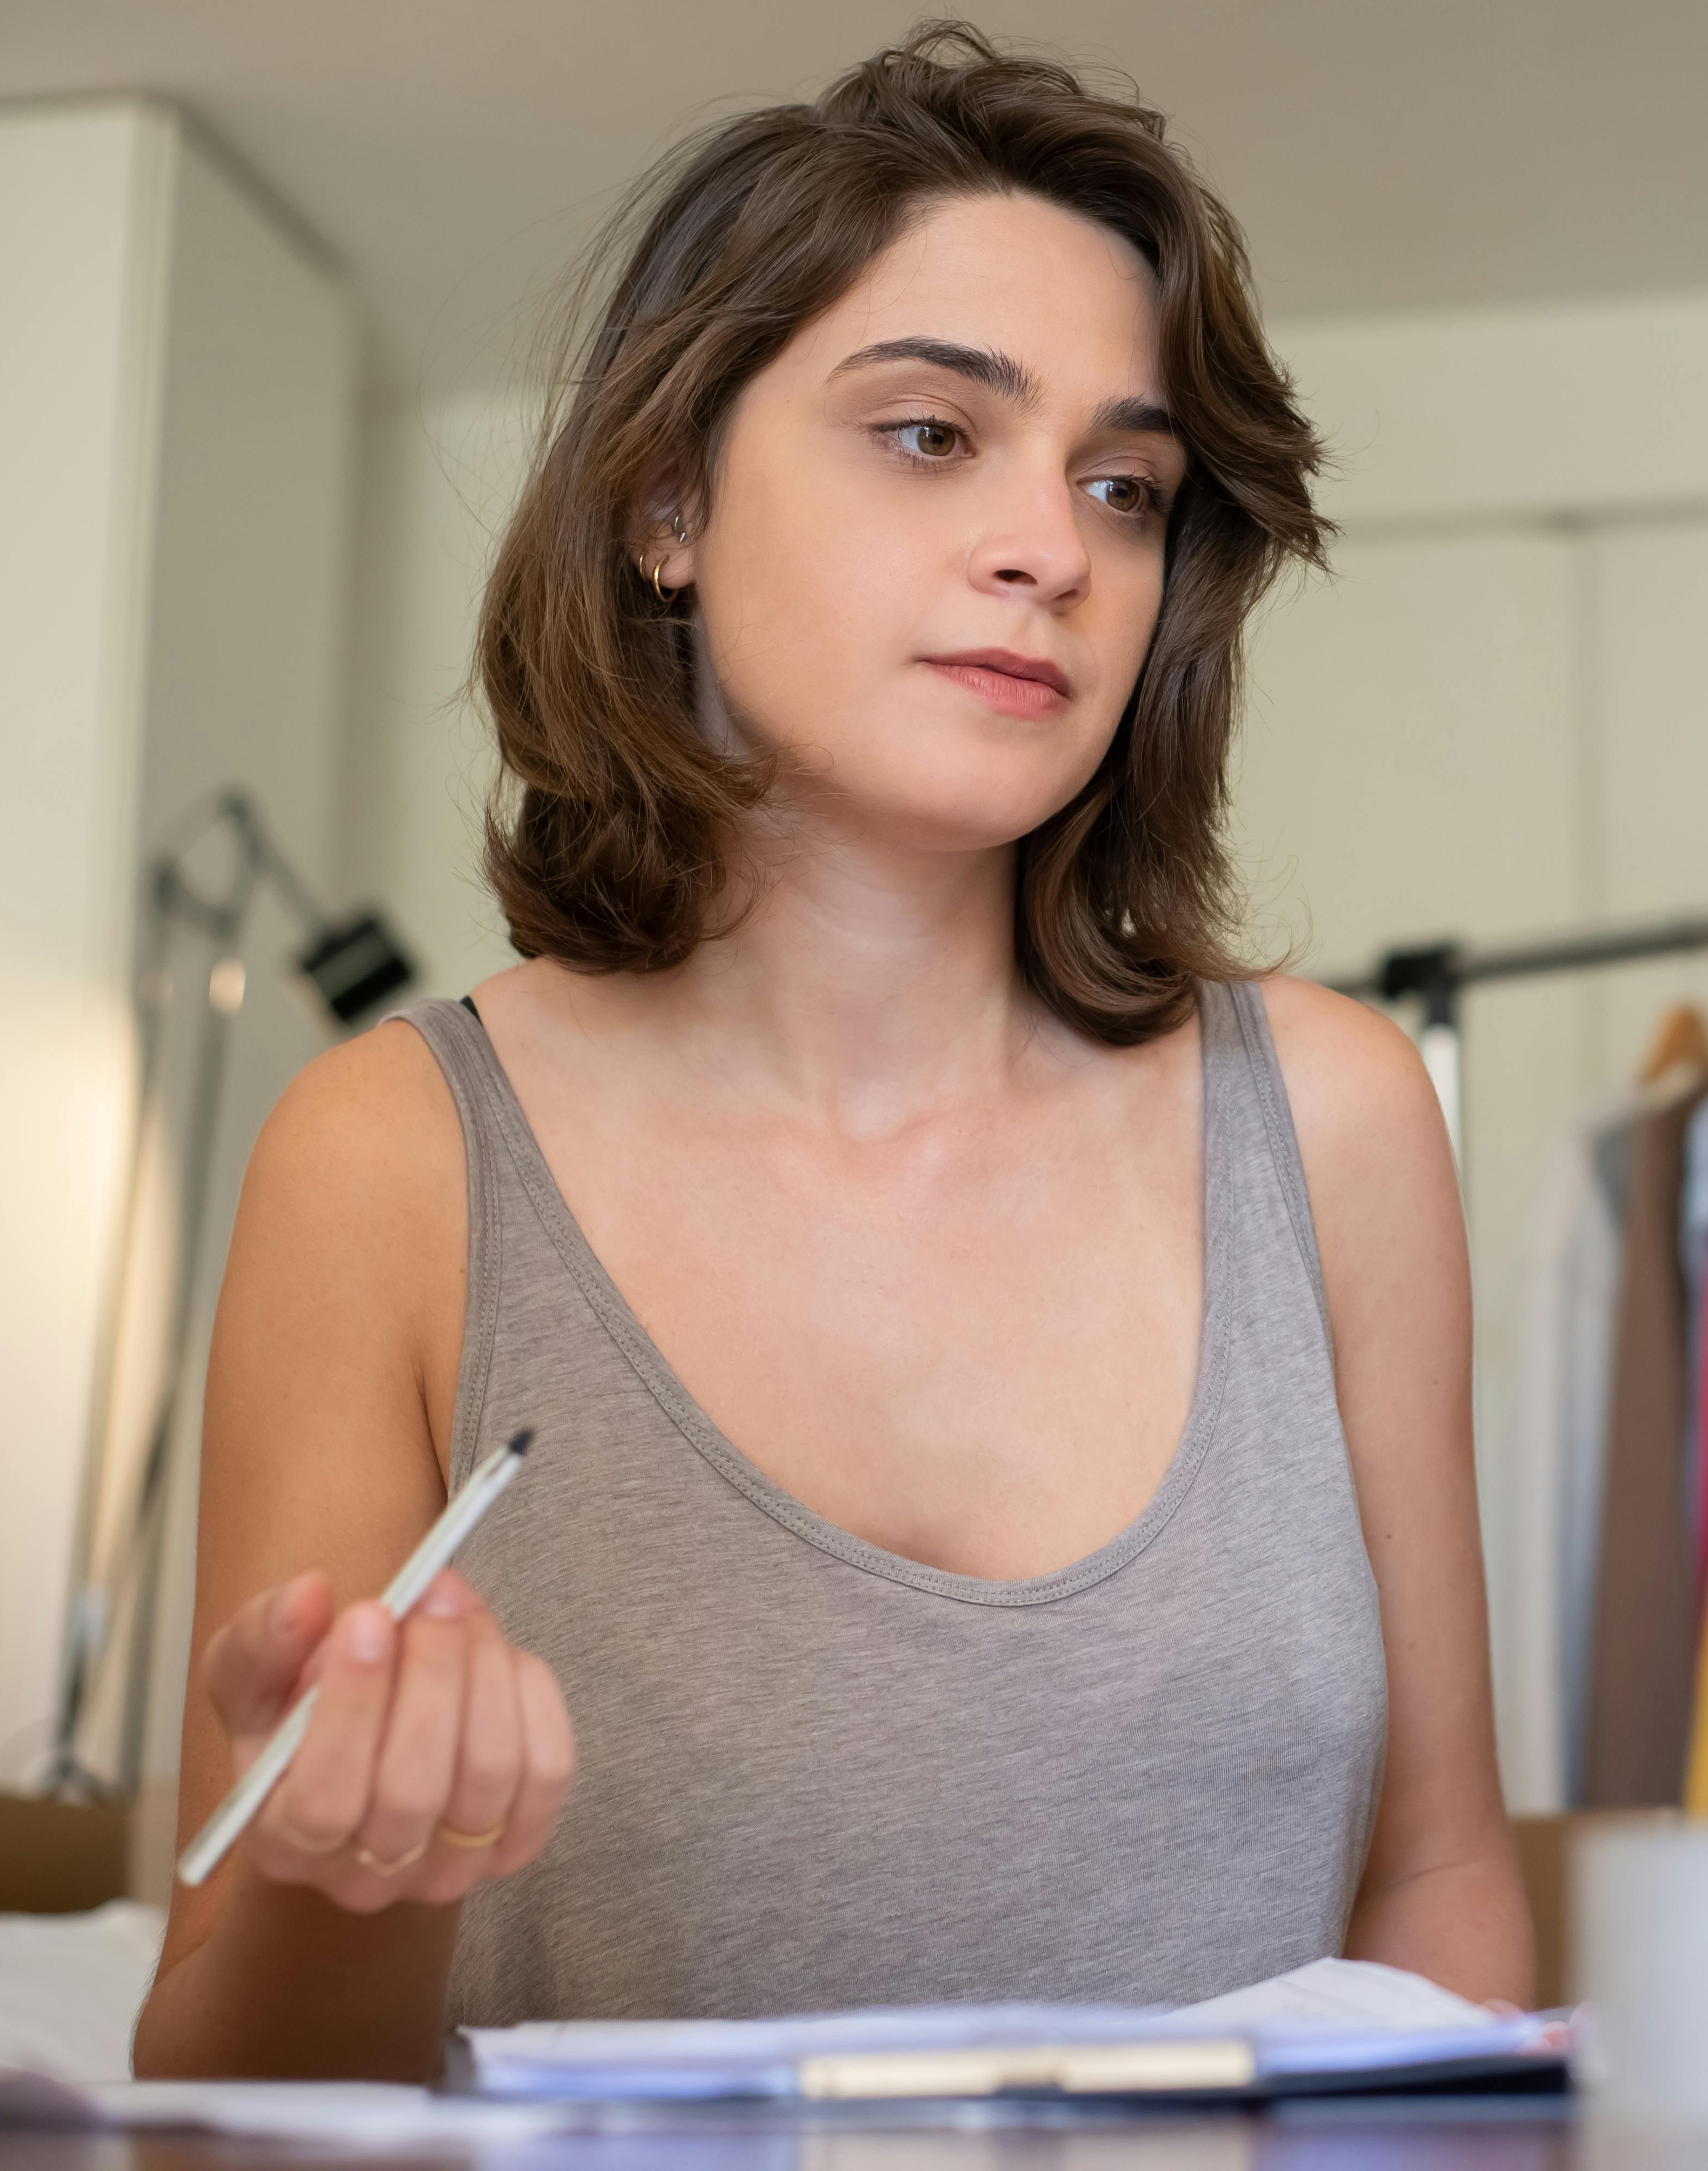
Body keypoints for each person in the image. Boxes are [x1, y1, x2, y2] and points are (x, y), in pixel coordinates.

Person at [136, 25, 1526, 2081]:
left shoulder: (1331, 1122)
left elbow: (1435, 1889)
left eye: (1123, 486)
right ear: (665, 501)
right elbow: (223, 2098)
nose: (1052, 547)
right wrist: (358, 1865)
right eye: (930, 435)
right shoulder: (391, 1162)